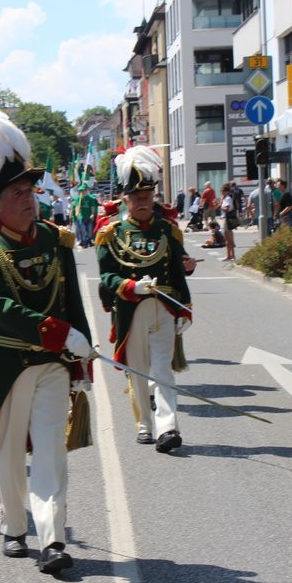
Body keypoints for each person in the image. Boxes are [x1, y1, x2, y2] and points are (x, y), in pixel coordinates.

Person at [0, 109, 93, 574]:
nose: (28, 200)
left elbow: (73, 301)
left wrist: (84, 353)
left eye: (30, 191)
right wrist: (61, 333)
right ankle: (14, 525)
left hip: (54, 364)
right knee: (12, 451)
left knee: (52, 452)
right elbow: (2, 310)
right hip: (7, 364)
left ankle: (53, 538)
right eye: (17, 193)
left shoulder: (55, 242)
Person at [96, 145, 191, 454]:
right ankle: (144, 425)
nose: (142, 203)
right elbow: (107, 277)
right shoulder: (112, 234)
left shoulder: (168, 231)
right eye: (136, 198)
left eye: (146, 198)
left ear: (153, 198)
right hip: (130, 309)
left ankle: (168, 428)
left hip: (163, 307)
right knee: (137, 370)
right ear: (125, 200)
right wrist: (130, 286)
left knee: (163, 369)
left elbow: (176, 272)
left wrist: (184, 310)